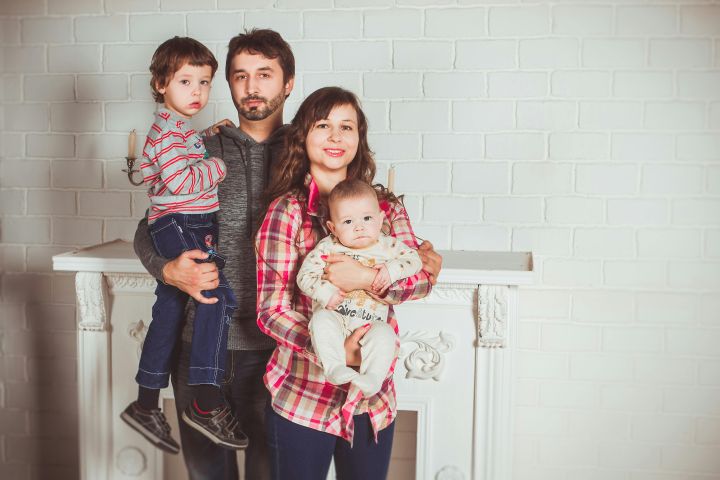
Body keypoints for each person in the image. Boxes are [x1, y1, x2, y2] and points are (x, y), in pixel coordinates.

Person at [256, 86, 442, 480]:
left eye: (347, 127)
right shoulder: (286, 212)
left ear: (360, 138)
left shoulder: (385, 207)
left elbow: (421, 279)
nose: (336, 137)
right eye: (323, 125)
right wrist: (334, 350)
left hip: (372, 400)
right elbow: (270, 310)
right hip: (304, 395)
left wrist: (368, 278)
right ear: (303, 137)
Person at [133, 29, 296, 479]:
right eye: (240, 76)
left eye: (265, 74)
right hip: (202, 343)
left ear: (288, 83)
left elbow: (353, 216)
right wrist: (167, 269)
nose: (252, 86)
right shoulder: (199, 147)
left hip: (278, 348)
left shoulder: (307, 152)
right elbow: (150, 227)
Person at [121, 36, 249, 454]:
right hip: (180, 224)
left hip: (182, 222)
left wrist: (206, 138)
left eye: (204, 82)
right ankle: (205, 401)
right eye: (185, 81)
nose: (197, 92)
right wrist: (218, 164)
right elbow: (182, 181)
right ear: (160, 83)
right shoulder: (166, 133)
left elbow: (182, 157)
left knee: (171, 310)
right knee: (217, 297)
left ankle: (145, 402)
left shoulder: (179, 130)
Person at [296, 178, 422, 397]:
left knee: (386, 335)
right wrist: (325, 293)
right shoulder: (328, 247)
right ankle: (334, 367)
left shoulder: (388, 246)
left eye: (367, 218)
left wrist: (391, 270)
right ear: (332, 228)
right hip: (336, 318)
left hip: (370, 324)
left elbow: (415, 260)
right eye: (347, 222)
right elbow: (304, 276)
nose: (359, 227)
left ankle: (373, 378)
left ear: (381, 219)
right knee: (321, 321)